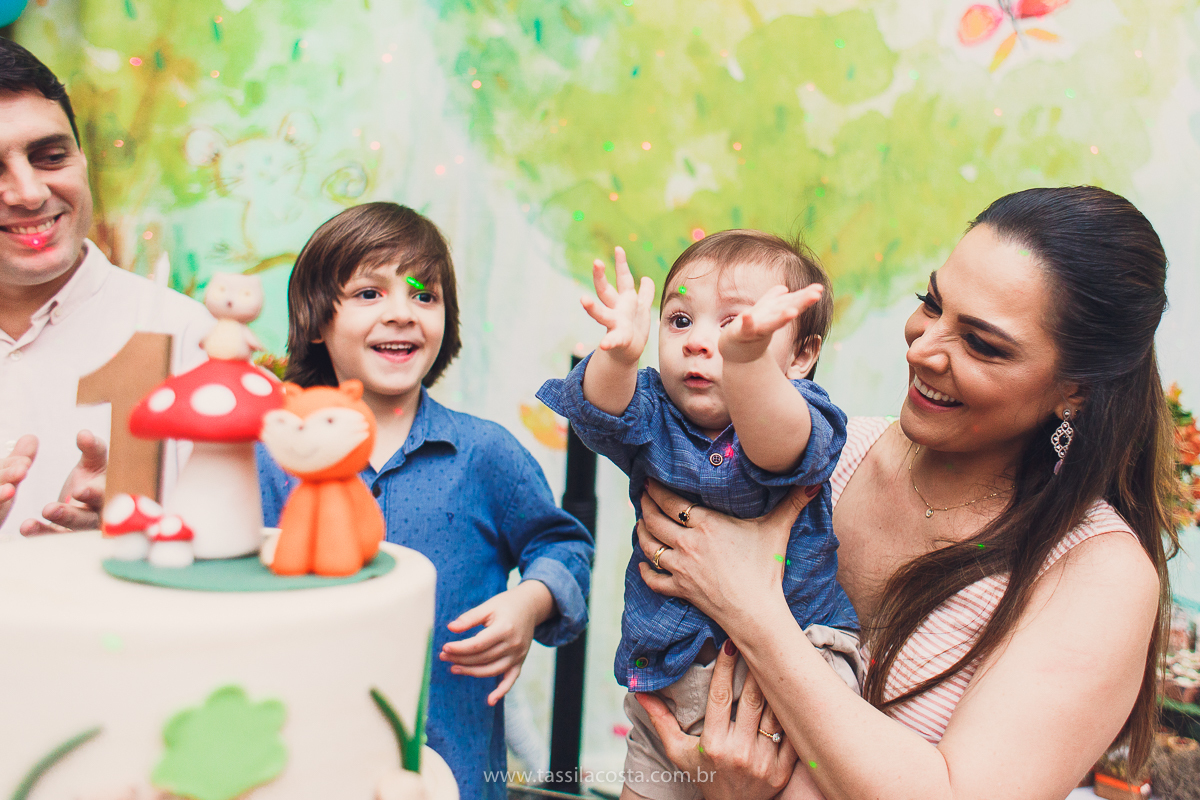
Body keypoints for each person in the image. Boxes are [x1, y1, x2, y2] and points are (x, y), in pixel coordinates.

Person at [627, 186, 1178, 800]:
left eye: (982, 344)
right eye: (931, 303)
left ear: (1074, 389)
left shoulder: (1097, 573)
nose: (921, 347)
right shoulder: (829, 458)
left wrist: (748, 605)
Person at [255, 202, 594, 800]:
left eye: (423, 295)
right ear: (314, 321)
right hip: (304, 761)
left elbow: (562, 546)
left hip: (455, 769)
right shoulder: (273, 453)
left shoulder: (485, 453)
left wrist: (530, 604)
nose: (401, 314)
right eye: (368, 294)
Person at [538, 231, 861, 800]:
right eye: (680, 321)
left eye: (736, 324)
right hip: (670, 678)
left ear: (803, 355)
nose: (698, 342)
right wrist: (616, 356)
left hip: (797, 671)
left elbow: (777, 449)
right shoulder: (654, 411)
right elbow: (599, 416)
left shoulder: (798, 413)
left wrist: (747, 364)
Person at [0, 38, 213, 539]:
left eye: (50, 157)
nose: (30, 193)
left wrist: (128, 540)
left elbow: (231, 552)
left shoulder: (183, 333)